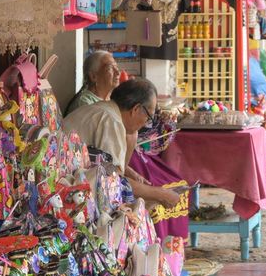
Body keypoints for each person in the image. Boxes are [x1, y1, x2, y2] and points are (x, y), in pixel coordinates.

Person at [63, 78, 180, 208]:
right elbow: (113, 181)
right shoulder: (112, 121)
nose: (146, 123)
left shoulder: (105, 111)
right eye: (149, 117)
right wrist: (161, 194)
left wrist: (130, 172)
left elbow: (103, 162)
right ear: (136, 109)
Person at [64, 50, 120, 116]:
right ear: (93, 77)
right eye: (110, 68)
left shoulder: (110, 100)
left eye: (116, 67)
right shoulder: (84, 104)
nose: (118, 73)